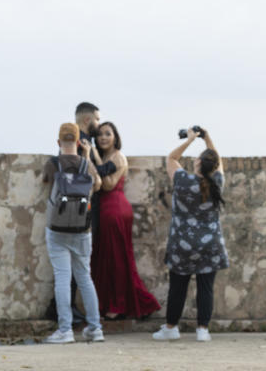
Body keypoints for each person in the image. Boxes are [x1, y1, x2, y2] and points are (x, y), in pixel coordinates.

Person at [153, 127, 228, 342]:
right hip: (210, 244)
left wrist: (191, 139)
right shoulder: (217, 183)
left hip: (182, 244)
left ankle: (171, 327)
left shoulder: (182, 180)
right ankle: (203, 330)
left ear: (197, 164)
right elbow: (217, 160)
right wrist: (208, 138)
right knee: (206, 287)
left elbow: (172, 158)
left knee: (178, 286)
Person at [88, 122, 161, 319]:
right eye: (100, 134)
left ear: (115, 137)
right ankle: (110, 303)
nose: (103, 137)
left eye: (107, 134)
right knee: (107, 258)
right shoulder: (105, 158)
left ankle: (120, 305)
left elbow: (109, 185)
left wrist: (93, 156)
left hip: (115, 209)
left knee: (118, 259)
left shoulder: (118, 157)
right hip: (106, 210)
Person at [41, 122, 105, 343]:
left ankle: (65, 330)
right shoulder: (86, 165)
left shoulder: (52, 164)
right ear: (78, 142)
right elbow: (97, 184)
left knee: (62, 278)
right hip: (82, 228)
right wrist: (86, 157)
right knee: (85, 277)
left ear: (59, 142)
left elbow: (45, 182)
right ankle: (95, 328)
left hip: (57, 228)